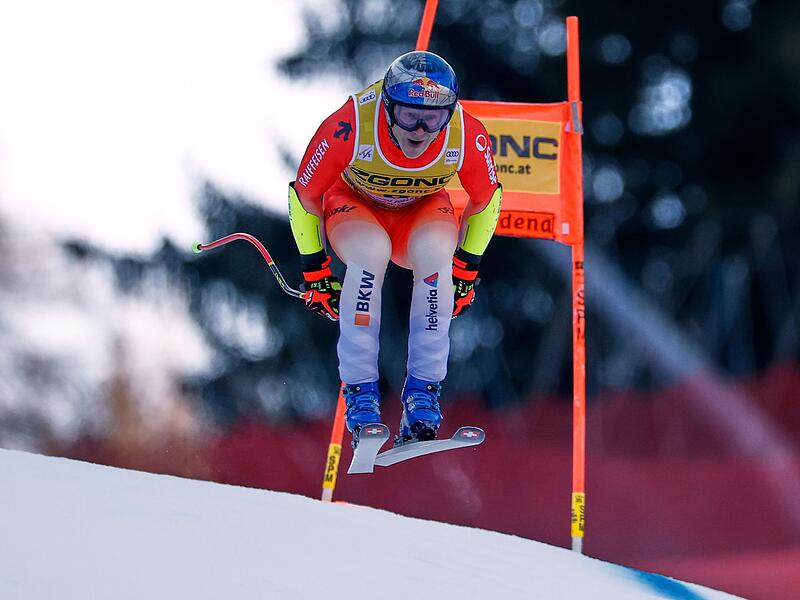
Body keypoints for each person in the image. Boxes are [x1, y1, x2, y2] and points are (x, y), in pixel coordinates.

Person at [288, 50, 501, 445]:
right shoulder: (351, 123)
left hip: (419, 210)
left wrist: (467, 270)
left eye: (433, 118)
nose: (420, 130)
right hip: (354, 206)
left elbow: (487, 200)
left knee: (438, 260)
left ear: (449, 113)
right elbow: (305, 195)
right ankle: (361, 396)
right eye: (408, 115)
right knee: (370, 254)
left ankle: (424, 396)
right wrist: (315, 270)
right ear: (387, 107)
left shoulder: (466, 134)